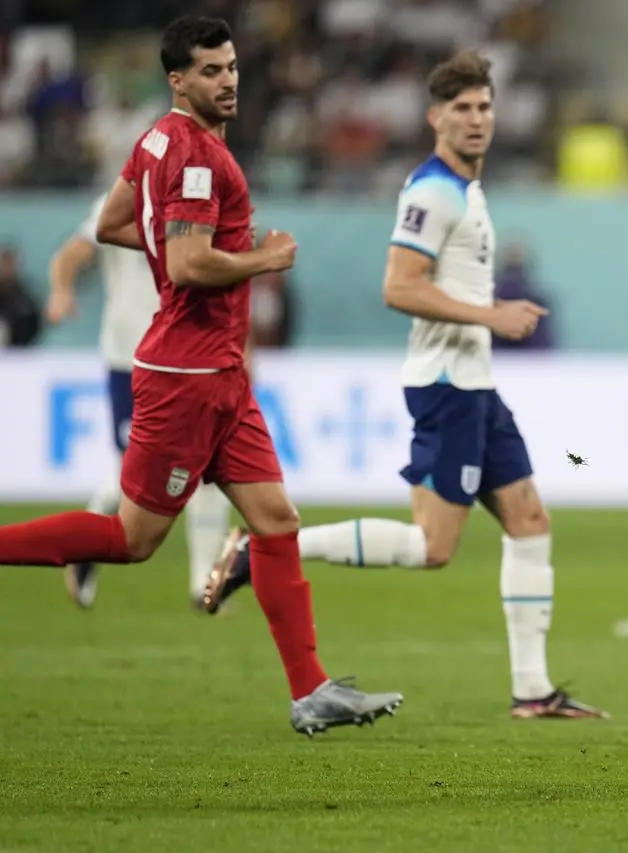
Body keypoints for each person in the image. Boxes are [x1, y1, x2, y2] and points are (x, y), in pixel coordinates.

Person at [0, 16, 403, 737]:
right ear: (177, 80)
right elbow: (187, 264)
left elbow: (117, 222)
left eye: (233, 67)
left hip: (218, 371)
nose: (229, 80)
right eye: (211, 71)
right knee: (132, 538)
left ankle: (311, 689)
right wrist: (261, 258)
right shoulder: (192, 156)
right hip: (186, 372)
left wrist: (180, 244)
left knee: (276, 520)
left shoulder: (157, 138)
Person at [202, 50, 607, 721]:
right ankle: (263, 547)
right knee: (432, 547)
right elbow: (399, 286)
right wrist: (489, 314)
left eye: (484, 107)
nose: (476, 120)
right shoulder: (431, 192)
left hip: (475, 383)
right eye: (462, 109)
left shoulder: (468, 190)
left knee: (530, 521)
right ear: (435, 118)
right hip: (447, 384)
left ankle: (533, 690)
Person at [47, 191, 232, 609]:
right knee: (134, 475)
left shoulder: (199, 201)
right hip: (131, 360)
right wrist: (61, 290)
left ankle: (205, 586)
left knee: (208, 465)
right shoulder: (120, 200)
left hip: (186, 360)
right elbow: (69, 255)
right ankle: (82, 551)